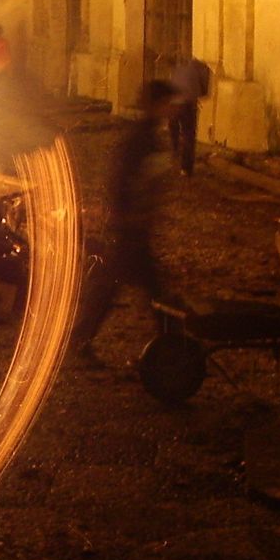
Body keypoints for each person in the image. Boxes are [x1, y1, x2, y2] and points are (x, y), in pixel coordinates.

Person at [69, 79, 178, 361]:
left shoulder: (148, 135)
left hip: (132, 229)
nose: (172, 108)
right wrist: (127, 217)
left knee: (114, 287)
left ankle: (171, 343)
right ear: (156, 105)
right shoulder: (141, 139)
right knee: (139, 288)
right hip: (129, 231)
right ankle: (173, 345)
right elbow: (121, 182)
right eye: (168, 103)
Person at [167, 58, 212, 176]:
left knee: (174, 132)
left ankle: (174, 154)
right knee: (188, 136)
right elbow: (204, 92)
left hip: (173, 104)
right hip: (188, 105)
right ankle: (186, 168)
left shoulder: (179, 68)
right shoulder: (202, 70)